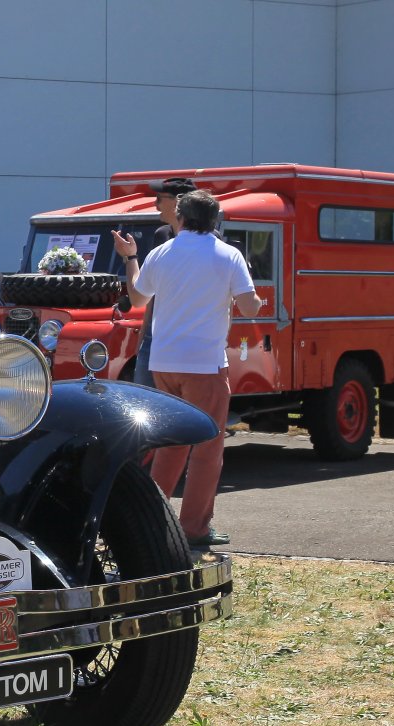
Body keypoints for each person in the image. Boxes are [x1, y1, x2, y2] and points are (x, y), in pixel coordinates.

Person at [113, 191, 263, 548]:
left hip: (163, 361)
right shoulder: (228, 255)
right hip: (205, 364)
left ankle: (151, 520)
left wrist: (130, 257)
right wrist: (255, 298)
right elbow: (250, 307)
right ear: (215, 220)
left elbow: (138, 298)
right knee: (207, 449)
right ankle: (194, 527)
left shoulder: (161, 253)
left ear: (180, 218)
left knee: (169, 445)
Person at [130, 177, 196, 387]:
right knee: (146, 396)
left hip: (192, 339)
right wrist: (143, 335)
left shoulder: (210, 239)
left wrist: (130, 258)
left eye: (159, 198)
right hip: (156, 335)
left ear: (178, 202)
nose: (155, 204)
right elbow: (151, 294)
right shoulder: (162, 235)